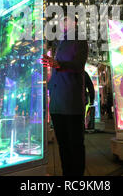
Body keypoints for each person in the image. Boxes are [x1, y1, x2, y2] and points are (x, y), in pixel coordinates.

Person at [42, 15, 88, 176]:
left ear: (75, 23)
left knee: (75, 144)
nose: (63, 22)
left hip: (71, 102)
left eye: (67, 19)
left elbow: (78, 65)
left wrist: (58, 64)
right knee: (62, 145)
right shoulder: (59, 42)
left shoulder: (79, 39)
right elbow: (55, 70)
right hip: (56, 103)